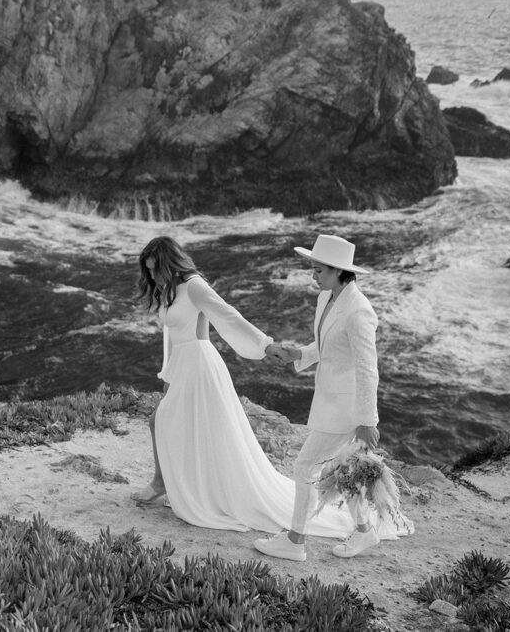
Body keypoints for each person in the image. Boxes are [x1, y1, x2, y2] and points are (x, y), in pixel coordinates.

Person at [132, 236, 353, 539]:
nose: (154, 277)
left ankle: (163, 483)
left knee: (163, 420)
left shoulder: (194, 285)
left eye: (157, 269)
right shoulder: (168, 289)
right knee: (165, 421)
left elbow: (228, 315)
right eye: (150, 272)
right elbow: (172, 336)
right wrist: (168, 372)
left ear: (170, 263)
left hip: (199, 364)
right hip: (183, 366)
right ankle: (166, 483)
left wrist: (266, 345)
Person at [254, 234, 409, 562]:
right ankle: (365, 532)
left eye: (319, 270)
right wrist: (298, 353)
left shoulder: (359, 311)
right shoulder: (328, 298)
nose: (313, 275)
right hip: (330, 400)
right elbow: (328, 347)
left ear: (340, 271)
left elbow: (368, 369)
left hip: (347, 408)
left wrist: (368, 421)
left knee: (304, 466)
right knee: (341, 471)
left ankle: (295, 541)